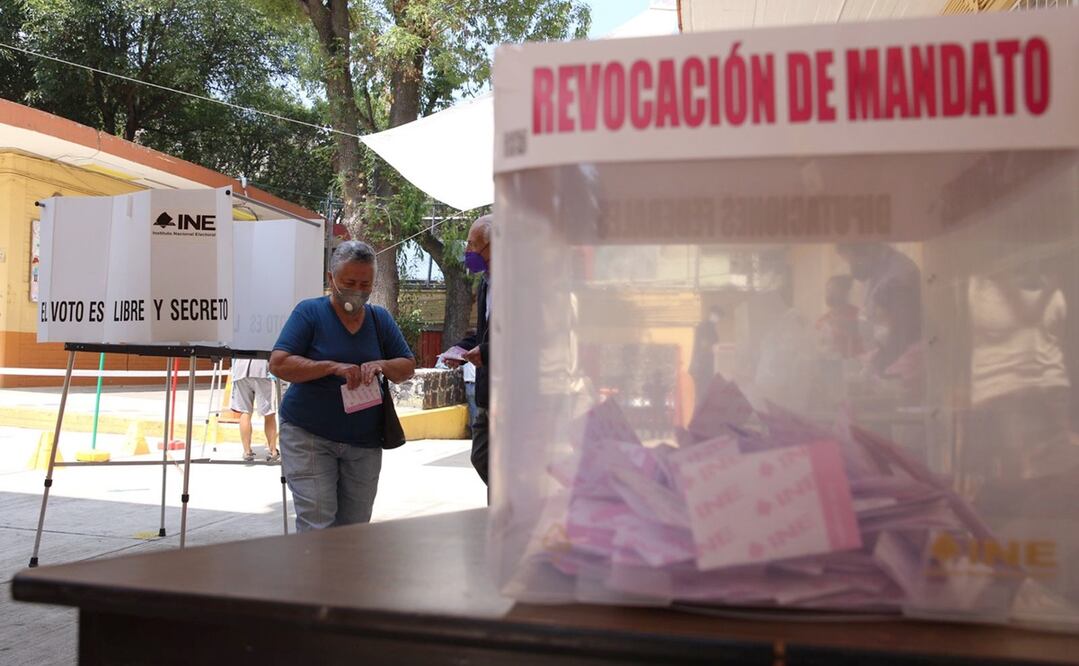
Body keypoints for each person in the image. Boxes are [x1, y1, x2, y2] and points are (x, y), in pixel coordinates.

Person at [269, 241, 416, 531]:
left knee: (354, 530)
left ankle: (344, 578)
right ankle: (317, 578)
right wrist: (332, 367)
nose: (358, 291)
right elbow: (279, 363)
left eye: (366, 284)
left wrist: (382, 365)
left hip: (363, 441)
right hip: (309, 434)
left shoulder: (379, 319)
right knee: (318, 524)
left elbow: (407, 366)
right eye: (349, 282)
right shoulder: (309, 313)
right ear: (331, 278)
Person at [443, 215, 492, 486]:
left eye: (472, 245)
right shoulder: (486, 282)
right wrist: (461, 349)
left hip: (512, 396)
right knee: (482, 456)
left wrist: (486, 353)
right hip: (486, 394)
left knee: (502, 469)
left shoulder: (520, 282)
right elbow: (485, 332)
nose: (467, 251)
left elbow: (526, 334)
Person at [837, 243, 922, 375]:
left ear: (867, 250)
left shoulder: (897, 275)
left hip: (905, 362)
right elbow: (876, 319)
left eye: (853, 261)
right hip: (893, 355)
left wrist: (879, 365)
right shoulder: (877, 272)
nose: (853, 269)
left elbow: (900, 333)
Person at [229, 358, 279, 463]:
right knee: (269, 412)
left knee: (245, 412)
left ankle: (247, 451)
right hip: (262, 369)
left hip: (240, 370)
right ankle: (273, 450)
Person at [816, 275, 863, 360]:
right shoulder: (822, 321)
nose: (829, 293)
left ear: (844, 292)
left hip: (854, 367)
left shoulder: (858, 315)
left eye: (833, 290)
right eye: (828, 290)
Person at [690, 306, 723, 408]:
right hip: (704, 362)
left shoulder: (708, 327)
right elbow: (702, 345)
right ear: (712, 315)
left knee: (705, 387)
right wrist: (712, 348)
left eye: (719, 317)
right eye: (717, 316)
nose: (718, 319)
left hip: (705, 361)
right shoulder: (705, 327)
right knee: (704, 387)